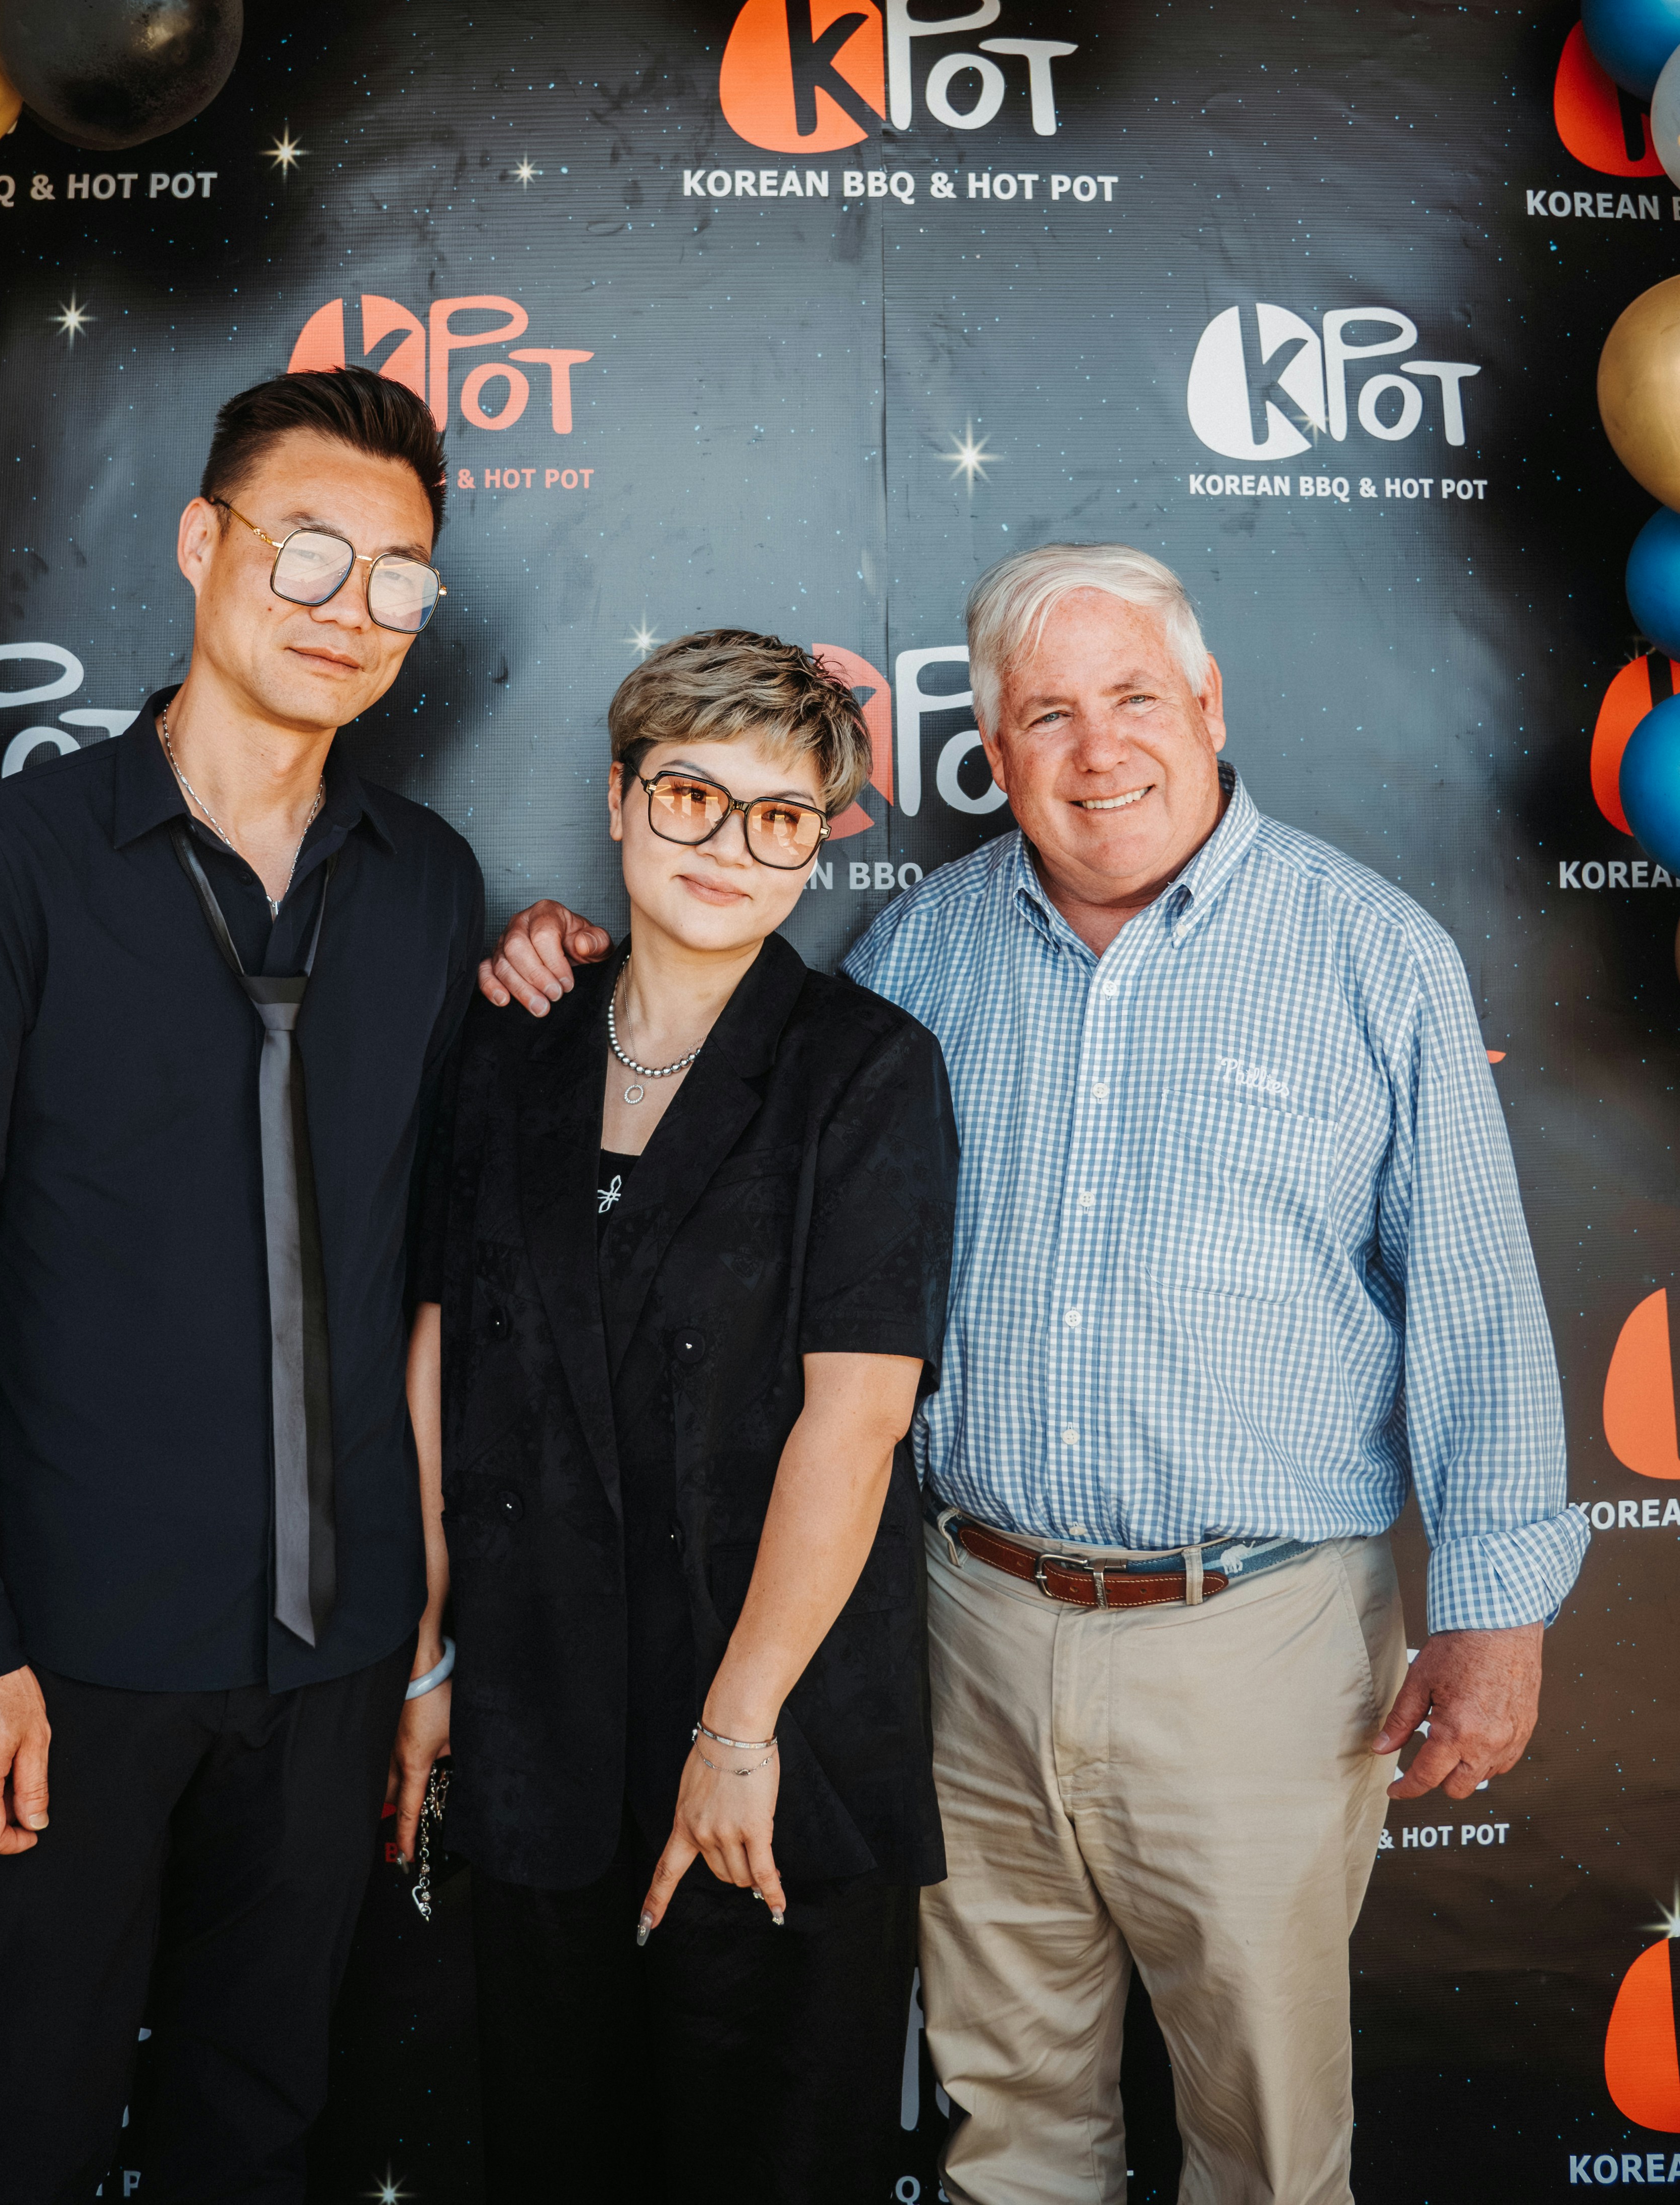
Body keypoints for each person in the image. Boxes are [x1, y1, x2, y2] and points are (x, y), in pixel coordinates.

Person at [480, 543, 1589, 2205]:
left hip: (1258, 1641)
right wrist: (557, 961)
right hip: (967, 1631)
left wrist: (1496, 1615)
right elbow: (715, 1077)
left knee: (1270, 2153)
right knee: (1011, 2134)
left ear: (1210, 705)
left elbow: (1481, 1310)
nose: (1097, 749)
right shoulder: (916, 958)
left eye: (1136, 698)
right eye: (1044, 716)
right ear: (989, 756)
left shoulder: (1374, 954)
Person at [0, 369, 484, 2205]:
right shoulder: (7, 869)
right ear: (205, 544)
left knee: (262, 2127)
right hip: (68, 1654)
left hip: (340, 1650)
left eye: (398, 578)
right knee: (30, 2136)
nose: (347, 607)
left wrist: (422, 1641)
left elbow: (426, 1268)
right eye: (307, 549)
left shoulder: (430, 887)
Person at [403, 630, 958, 2205]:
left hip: (774, 1735)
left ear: (821, 841)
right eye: (694, 796)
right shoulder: (512, 1044)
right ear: (621, 798)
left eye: (781, 815)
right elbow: (443, 1354)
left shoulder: (867, 1071)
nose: (728, 845)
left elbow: (852, 1433)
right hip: (537, 1724)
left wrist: (740, 1731)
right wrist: (431, 1649)